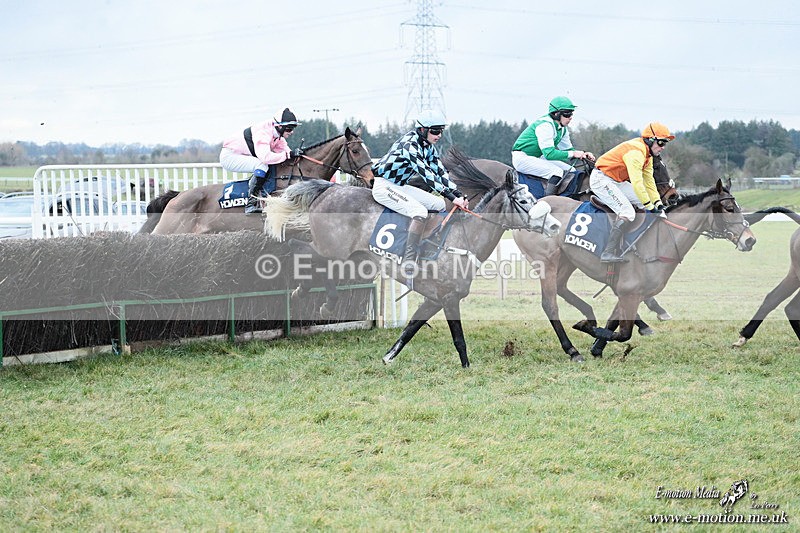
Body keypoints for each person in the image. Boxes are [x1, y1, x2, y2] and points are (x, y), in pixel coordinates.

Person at [371, 109, 469, 265]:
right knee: (420, 211)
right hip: (383, 186)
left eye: (441, 131)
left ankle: (424, 244)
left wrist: (457, 194)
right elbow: (428, 175)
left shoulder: (428, 146)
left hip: (399, 186)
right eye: (435, 131)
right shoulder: (409, 145)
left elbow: (440, 172)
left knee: (439, 204)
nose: (439, 135)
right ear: (422, 129)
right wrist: (452, 197)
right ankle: (408, 258)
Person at [590, 122, 674, 263]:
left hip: (615, 180)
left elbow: (649, 182)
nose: (662, 147)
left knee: (644, 202)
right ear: (650, 140)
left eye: (664, 143)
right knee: (628, 212)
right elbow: (637, 183)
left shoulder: (648, 155)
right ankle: (608, 252)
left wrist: (658, 204)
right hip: (601, 179)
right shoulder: (636, 153)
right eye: (660, 143)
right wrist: (649, 206)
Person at [219, 108, 303, 215]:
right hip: (230, 156)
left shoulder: (277, 136)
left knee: (267, 164)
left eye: (293, 128)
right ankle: (251, 203)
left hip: (241, 154)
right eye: (289, 129)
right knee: (262, 165)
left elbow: (286, 152)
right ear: (280, 126)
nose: (292, 132)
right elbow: (266, 158)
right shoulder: (263, 132)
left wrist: (295, 154)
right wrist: (287, 155)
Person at [511, 96, 595, 196]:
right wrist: (574, 153)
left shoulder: (562, 129)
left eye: (571, 113)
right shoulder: (545, 126)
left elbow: (568, 150)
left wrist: (583, 154)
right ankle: (548, 201)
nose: (570, 117)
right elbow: (549, 154)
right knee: (556, 172)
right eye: (567, 114)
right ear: (556, 114)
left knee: (571, 171)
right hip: (522, 158)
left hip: (538, 157)